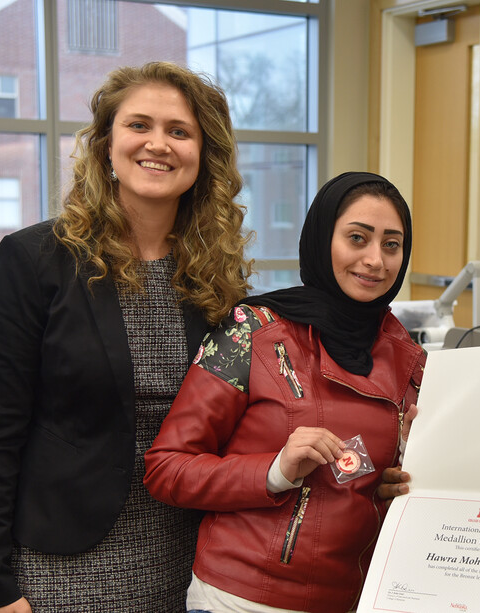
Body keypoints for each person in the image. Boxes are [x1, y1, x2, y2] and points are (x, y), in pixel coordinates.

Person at [0, 61, 252, 613]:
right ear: (105, 144)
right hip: (59, 563)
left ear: (203, 155)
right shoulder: (36, 260)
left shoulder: (219, 278)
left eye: (179, 131)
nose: (158, 144)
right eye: (138, 125)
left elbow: (244, 419)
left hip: (189, 559)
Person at [144, 171, 426, 613]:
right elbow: (167, 469)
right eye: (357, 238)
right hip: (241, 597)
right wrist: (274, 471)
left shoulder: (409, 358)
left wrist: (394, 484)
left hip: (357, 597)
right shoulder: (250, 331)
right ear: (321, 239)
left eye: (392, 245)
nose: (376, 260)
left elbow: (369, 481)